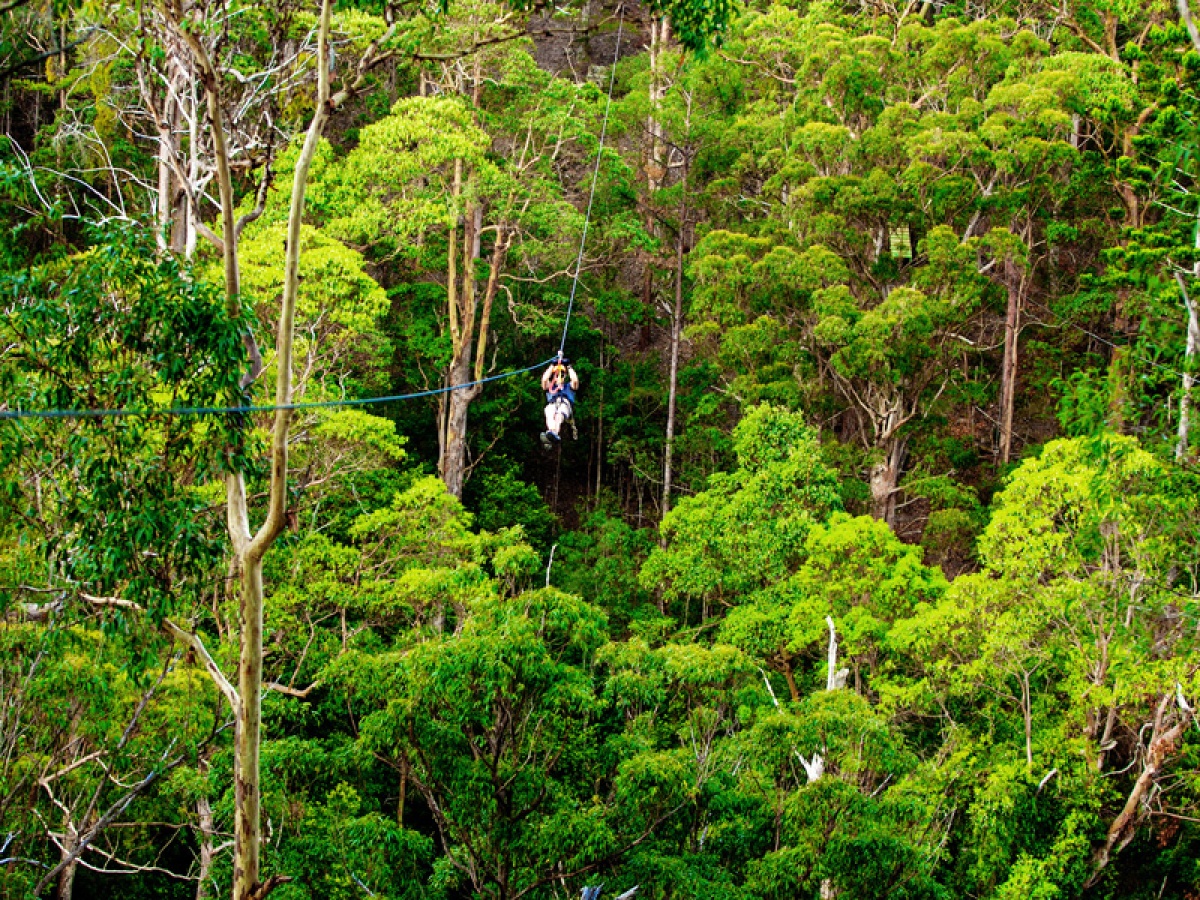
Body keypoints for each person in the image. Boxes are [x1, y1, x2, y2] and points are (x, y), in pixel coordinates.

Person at [540, 354, 579, 449]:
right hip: (553, 403)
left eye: (562, 375)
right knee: (549, 413)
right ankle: (551, 432)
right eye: (557, 375)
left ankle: (555, 433)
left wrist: (569, 367)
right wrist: (552, 366)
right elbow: (544, 380)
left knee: (558, 415)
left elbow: (575, 380)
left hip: (564, 404)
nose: (560, 376)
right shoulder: (551, 386)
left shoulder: (568, 387)